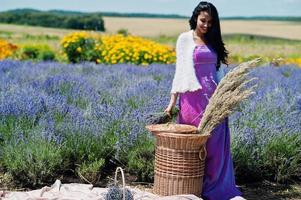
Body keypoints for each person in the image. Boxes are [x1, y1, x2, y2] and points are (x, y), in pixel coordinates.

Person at [164, 2, 245, 200]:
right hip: (192, 100)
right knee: (194, 145)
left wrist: (225, 98)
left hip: (214, 100)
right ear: (195, 18)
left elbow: (219, 72)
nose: (206, 25)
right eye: (203, 20)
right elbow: (179, 72)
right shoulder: (184, 39)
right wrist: (171, 103)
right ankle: (192, 187)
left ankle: (214, 189)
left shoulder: (214, 40)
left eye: (210, 22)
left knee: (215, 146)